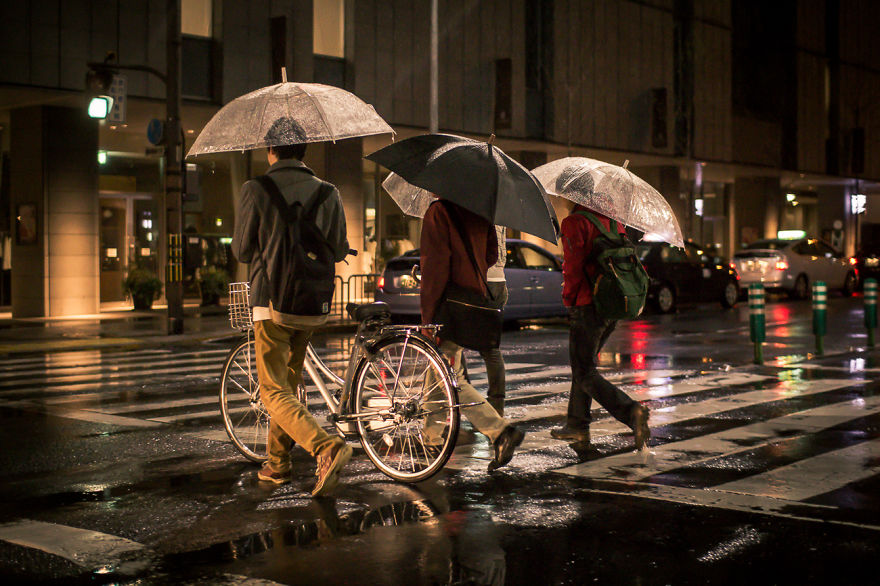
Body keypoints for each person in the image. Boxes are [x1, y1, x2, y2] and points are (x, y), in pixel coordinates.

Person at [232, 121, 352, 496]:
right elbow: (337, 247)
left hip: (271, 303)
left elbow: (241, 250)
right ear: (304, 152)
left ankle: (325, 447)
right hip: (311, 302)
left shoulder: (256, 189)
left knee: (272, 391)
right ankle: (277, 463)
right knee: (288, 384)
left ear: (271, 152)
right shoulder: (328, 192)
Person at [420, 198, 525, 472]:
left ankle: (499, 430)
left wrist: (427, 316)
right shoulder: (481, 211)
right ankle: (430, 436)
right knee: (440, 368)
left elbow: (434, 266)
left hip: (448, 301)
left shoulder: (439, 211)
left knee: (448, 375)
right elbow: (491, 256)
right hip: (472, 297)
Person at [551, 196, 650, 449]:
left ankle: (631, 412)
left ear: (572, 195)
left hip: (586, 304)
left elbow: (573, 267)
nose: (558, 198)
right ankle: (577, 426)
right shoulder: (611, 221)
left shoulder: (575, 222)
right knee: (583, 367)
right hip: (610, 305)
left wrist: (568, 299)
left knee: (584, 371)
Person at [480, 225, 508, 416]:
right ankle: (496, 404)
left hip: (485, 280)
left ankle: (494, 406)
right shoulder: (500, 209)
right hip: (500, 281)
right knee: (491, 348)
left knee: (454, 343)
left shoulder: (480, 208)